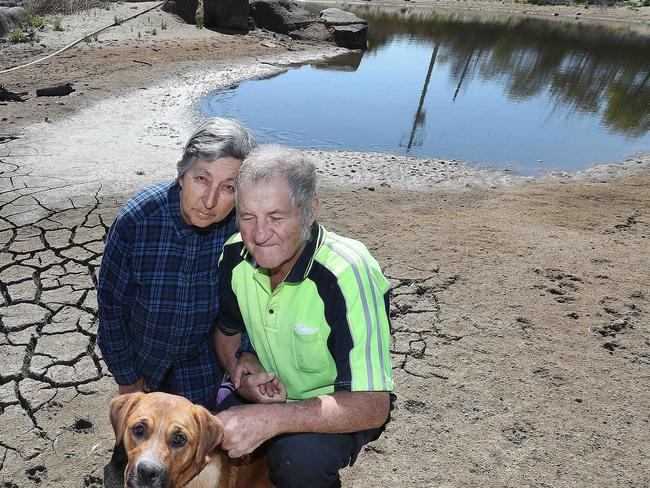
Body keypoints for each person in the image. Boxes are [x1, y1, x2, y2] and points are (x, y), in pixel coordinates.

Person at [214, 145, 394, 488]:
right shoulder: (234, 256)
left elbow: (374, 405)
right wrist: (240, 364)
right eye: (247, 216)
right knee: (204, 437)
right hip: (271, 397)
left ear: (310, 210)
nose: (259, 235)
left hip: (343, 404)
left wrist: (272, 419)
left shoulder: (347, 272)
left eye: (276, 217)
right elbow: (226, 333)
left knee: (297, 459)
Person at [97, 117, 259, 409]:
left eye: (228, 188)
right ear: (182, 175)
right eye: (201, 179)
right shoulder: (138, 220)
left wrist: (245, 352)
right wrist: (127, 377)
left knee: (194, 447)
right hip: (143, 363)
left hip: (203, 368)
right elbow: (111, 309)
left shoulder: (244, 230)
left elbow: (253, 306)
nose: (209, 201)